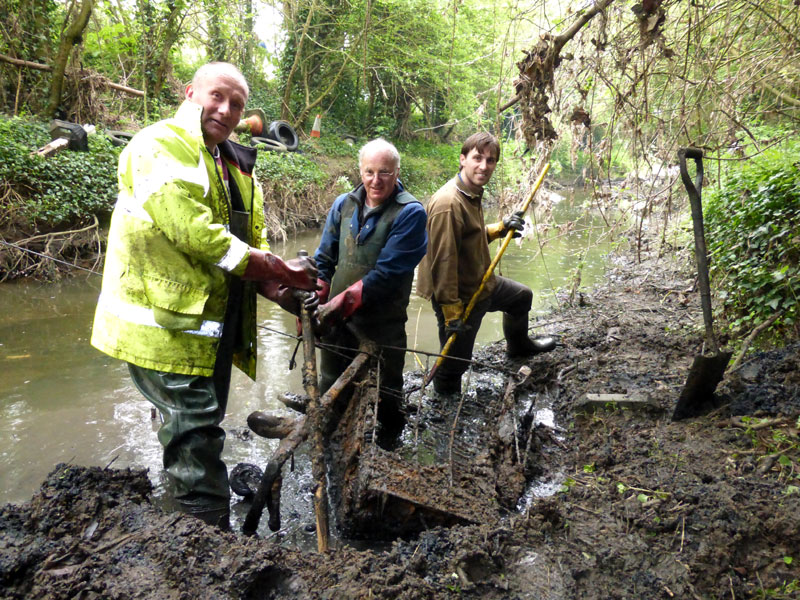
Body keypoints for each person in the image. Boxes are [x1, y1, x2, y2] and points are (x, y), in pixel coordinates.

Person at [91, 62, 318, 527]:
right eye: (217, 96)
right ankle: (203, 539)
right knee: (195, 433)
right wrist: (281, 268)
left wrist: (277, 288)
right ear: (191, 93)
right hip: (163, 327)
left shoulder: (229, 161)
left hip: (210, 329)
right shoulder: (158, 145)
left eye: (236, 104)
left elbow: (246, 243)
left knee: (197, 424)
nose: (226, 109)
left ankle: (181, 512)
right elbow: (197, 234)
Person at [416, 131, 555, 395]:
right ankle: (445, 405)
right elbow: (443, 262)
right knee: (454, 363)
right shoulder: (448, 203)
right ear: (462, 159)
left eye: (490, 160)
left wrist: (501, 227)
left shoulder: (470, 192)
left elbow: (470, 237)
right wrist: (451, 312)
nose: (484, 166)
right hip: (458, 295)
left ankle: (519, 347)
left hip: (480, 280)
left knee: (521, 297)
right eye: (477, 158)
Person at [313, 139, 427, 439]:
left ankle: (387, 453)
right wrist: (316, 301)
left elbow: (387, 273)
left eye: (385, 172)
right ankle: (329, 448)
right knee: (330, 387)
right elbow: (323, 259)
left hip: (382, 326)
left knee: (387, 398)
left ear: (397, 171)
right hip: (336, 324)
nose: (376, 180)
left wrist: (340, 303)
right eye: (369, 172)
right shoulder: (344, 204)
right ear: (360, 171)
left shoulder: (411, 213)